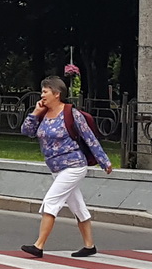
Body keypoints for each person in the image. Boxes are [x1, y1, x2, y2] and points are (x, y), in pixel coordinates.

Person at [19, 76, 113, 258]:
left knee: (51, 201)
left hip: (74, 165)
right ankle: (89, 246)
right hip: (57, 169)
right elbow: (27, 131)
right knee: (78, 207)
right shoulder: (43, 114)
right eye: (42, 91)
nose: (42, 95)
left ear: (57, 93)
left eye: (45, 91)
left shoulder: (71, 113)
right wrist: (35, 113)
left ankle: (38, 246)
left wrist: (104, 161)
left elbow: (90, 138)